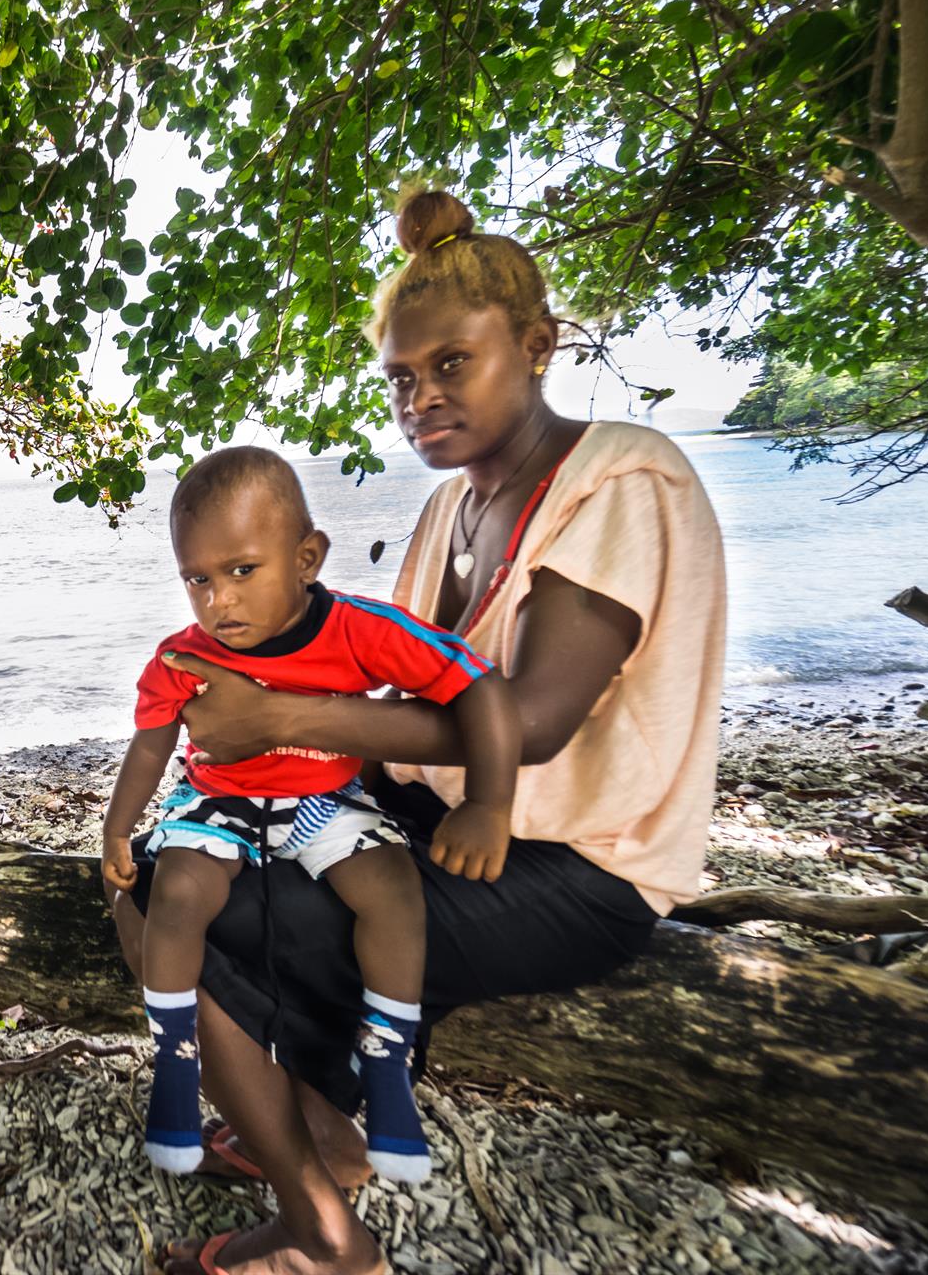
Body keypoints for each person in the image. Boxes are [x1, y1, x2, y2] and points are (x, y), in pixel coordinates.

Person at [114, 188, 727, 1275]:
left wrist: (280, 714)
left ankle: (322, 1231)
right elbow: (400, 691)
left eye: (452, 363)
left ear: (536, 345)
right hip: (439, 812)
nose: (421, 397)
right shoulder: (454, 508)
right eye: (402, 377)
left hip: (578, 865)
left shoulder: (623, 481)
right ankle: (327, 1133)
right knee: (171, 866)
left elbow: (528, 721)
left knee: (217, 909)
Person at [100, 446, 518, 1183]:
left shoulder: (362, 630)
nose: (218, 599)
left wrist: (488, 803)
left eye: (241, 571)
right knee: (178, 892)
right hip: (219, 799)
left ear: (307, 557)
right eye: (197, 579)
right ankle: (174, 1056)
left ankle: (385, 1063)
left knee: (393, 889)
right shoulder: (181, 658)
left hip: (328, 800)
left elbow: (476, 684)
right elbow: (150, 745)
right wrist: (115, 825)